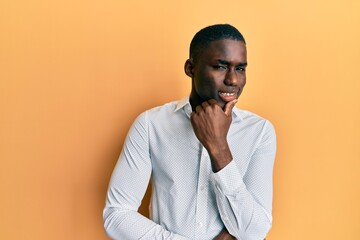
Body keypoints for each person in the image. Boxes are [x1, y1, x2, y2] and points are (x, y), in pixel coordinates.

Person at [103, 24, 276, 240]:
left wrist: (218, 147)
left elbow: (255, 231)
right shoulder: (151, 124)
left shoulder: (259, 132)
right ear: (190, 68)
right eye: (220, 66)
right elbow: (117, 215)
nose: (233, 80)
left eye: (240, 68)